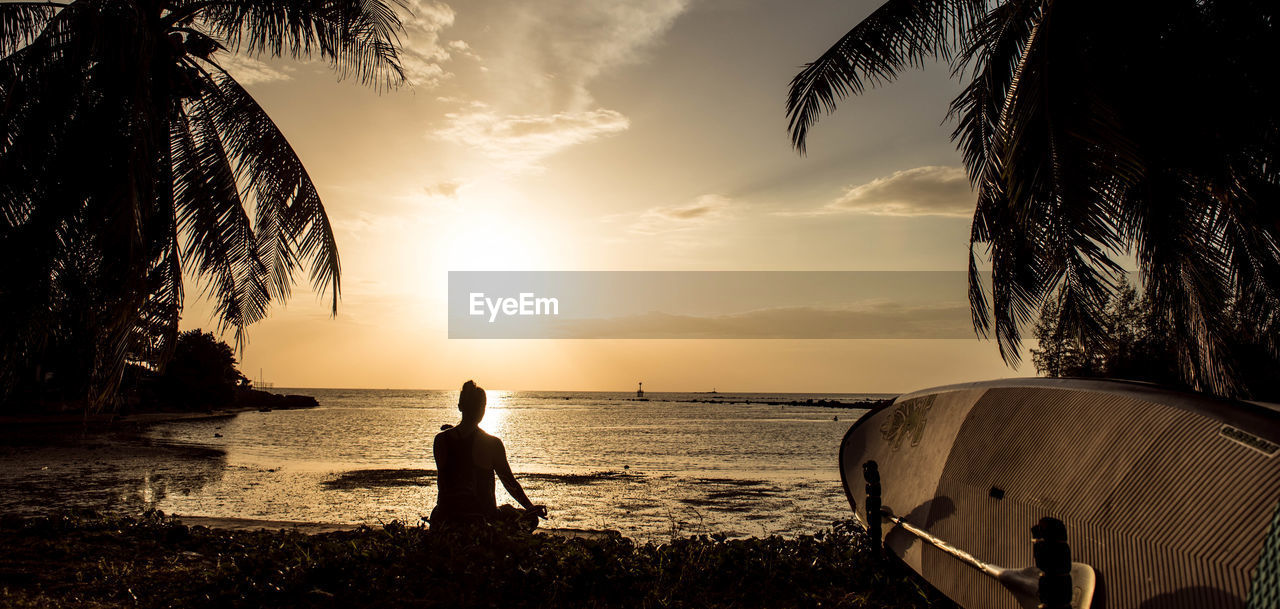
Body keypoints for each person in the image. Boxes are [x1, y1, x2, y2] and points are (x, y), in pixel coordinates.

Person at [429, 380, 547, 530]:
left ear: (460, 407)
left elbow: (459, 460)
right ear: (482, 410)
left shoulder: (440, 440)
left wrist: (452, 430)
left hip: (444, 518)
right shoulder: (492, 444)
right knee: (529, 518)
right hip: (482, 520)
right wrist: (531, 507)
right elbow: (509, 483)